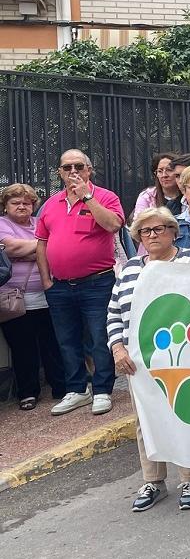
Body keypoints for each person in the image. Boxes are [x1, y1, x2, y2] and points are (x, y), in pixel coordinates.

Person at [106, 207, 190, 511]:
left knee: (183, 415)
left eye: (159, 229)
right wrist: (118, 348)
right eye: (145, 231)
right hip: (138, 360)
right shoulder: (130, 269)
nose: (152, 235)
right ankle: (153, 480)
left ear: (173, 231)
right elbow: (113, 313)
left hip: (181, 355)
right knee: (145, 421)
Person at [35, 149, 125, 416]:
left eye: (78, 166)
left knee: (99, 338)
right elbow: (42, 243)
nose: (72, 172)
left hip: (96, 283)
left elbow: (112, 225)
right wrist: (46, 281)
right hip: (60, 286)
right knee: (66, 339)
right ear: (59, 173)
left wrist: (87, 197)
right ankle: (76, 389)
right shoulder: (50, 204)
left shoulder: (106, 197)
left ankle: (102, 390)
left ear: (89, 169)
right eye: (66, 168)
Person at [0, 184, 65, 410]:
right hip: (14, 299)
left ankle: (60, 387)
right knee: (23, 347)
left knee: (53, 344)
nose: (21, 206)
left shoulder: (40, 223)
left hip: (48, 294)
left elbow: (59, 246)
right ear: (5, 206)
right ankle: (27, 393)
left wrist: (30, 252)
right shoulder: (1, 225)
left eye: (26, 203)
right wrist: (43, 248)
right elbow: (10, 249)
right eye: (15, 203)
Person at [133, 152, 183, 217]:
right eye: (160, 171)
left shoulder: (188, 194)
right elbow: (139, 222)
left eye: (169, 170)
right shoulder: (147, 196)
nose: (164, 175)